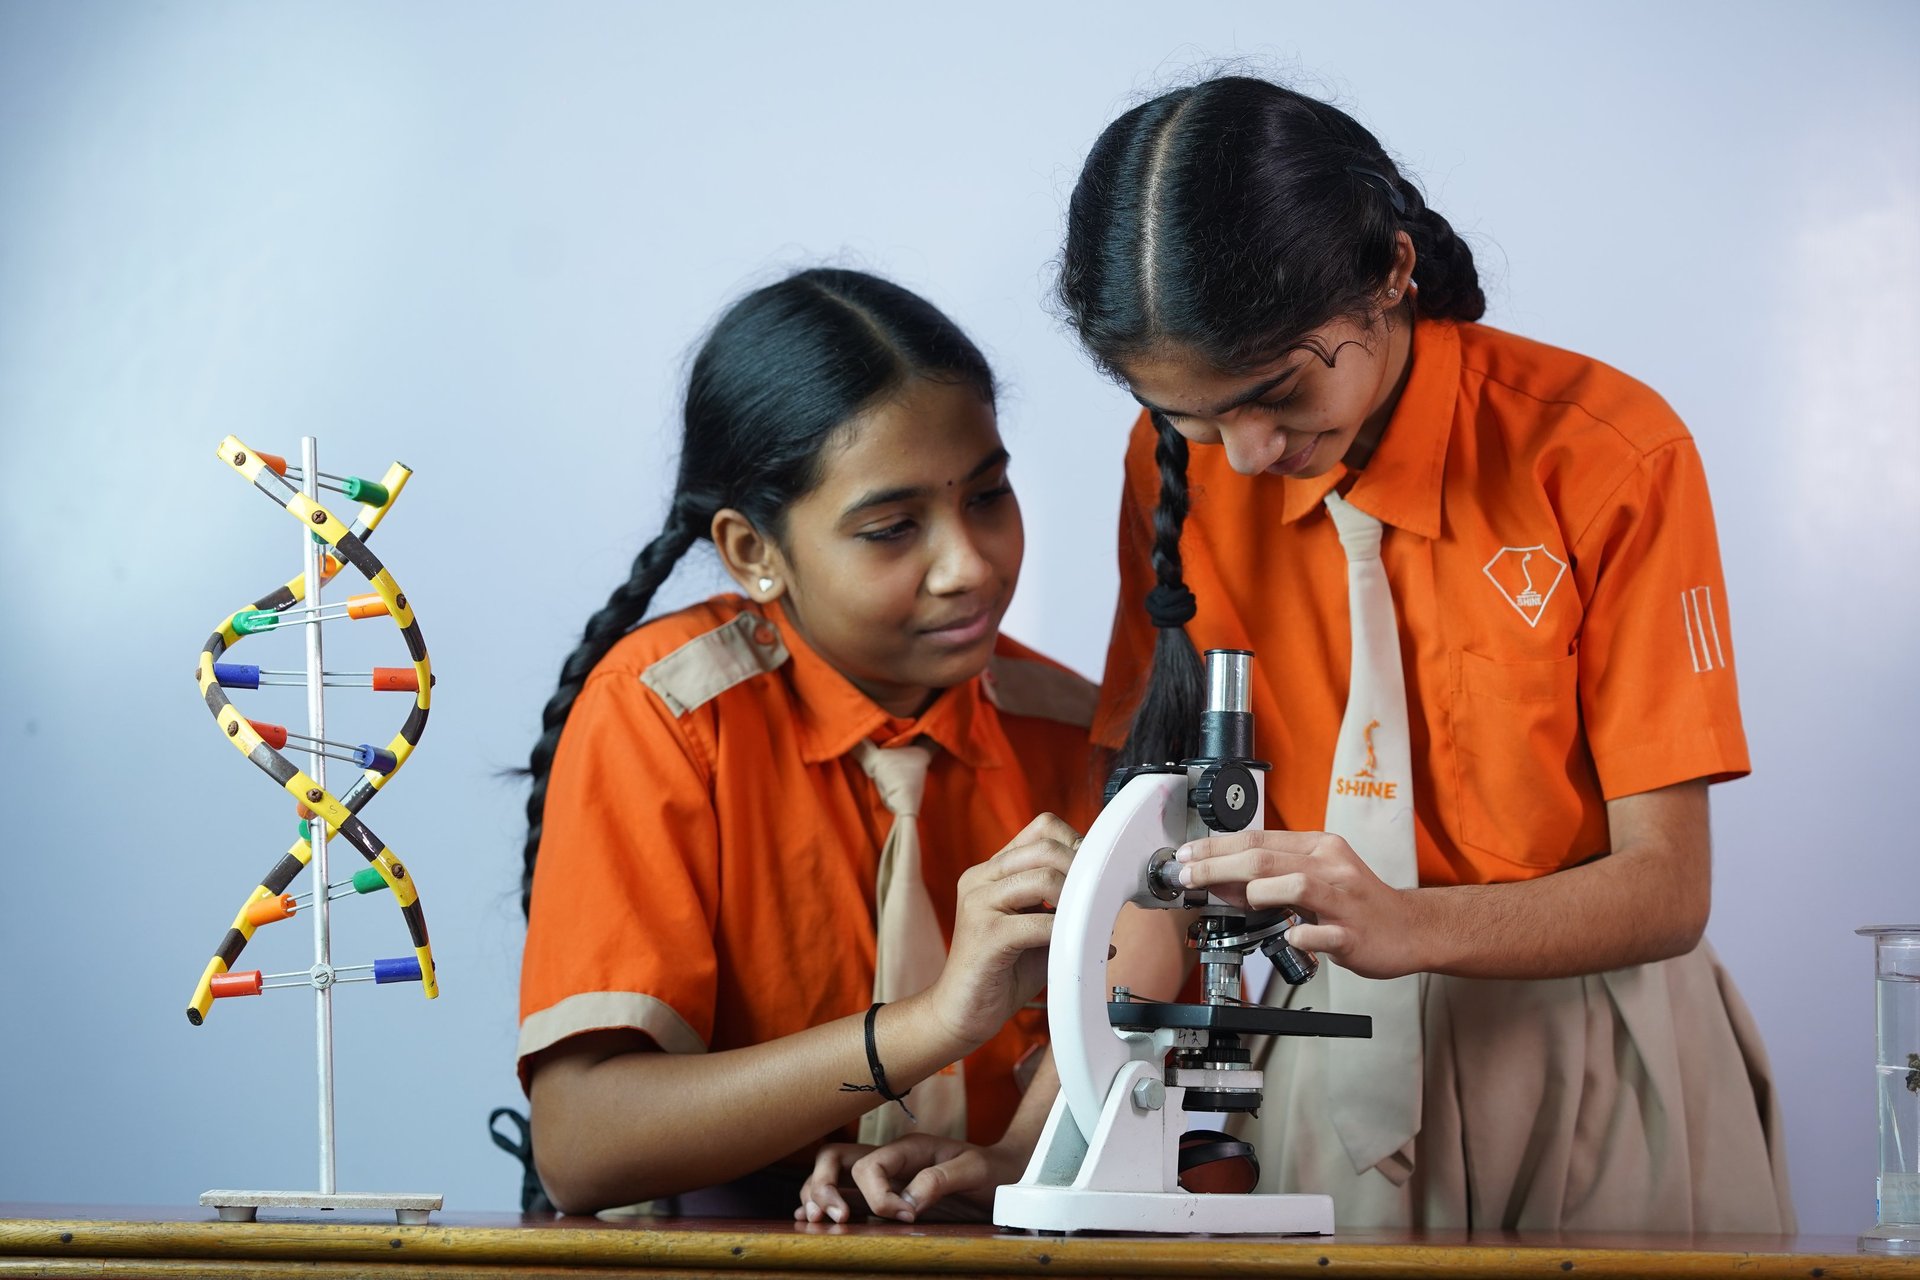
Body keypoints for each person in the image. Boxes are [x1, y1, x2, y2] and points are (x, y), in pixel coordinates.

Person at [813, 76, 1796, 1232]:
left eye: (1279, 390)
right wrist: (1032, 1145)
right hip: (1298, 1062)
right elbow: (1165, 849)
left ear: (1388, 270)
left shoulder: (1605, 454)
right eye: (1193, 413)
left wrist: (1407, 923)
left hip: (1585, 1063)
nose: (1249, 448)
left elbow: (1667, 888)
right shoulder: (1177, 469)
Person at [516, 267, 1101, 1217]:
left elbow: (1128, 1074)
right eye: (892, 528)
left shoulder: (1073, 732)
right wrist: (930, 1025)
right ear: (754, 552)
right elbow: (582, 1144)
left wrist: (1000, 1157)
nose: (970, 565)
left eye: (987, 497)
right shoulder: (666, 714)